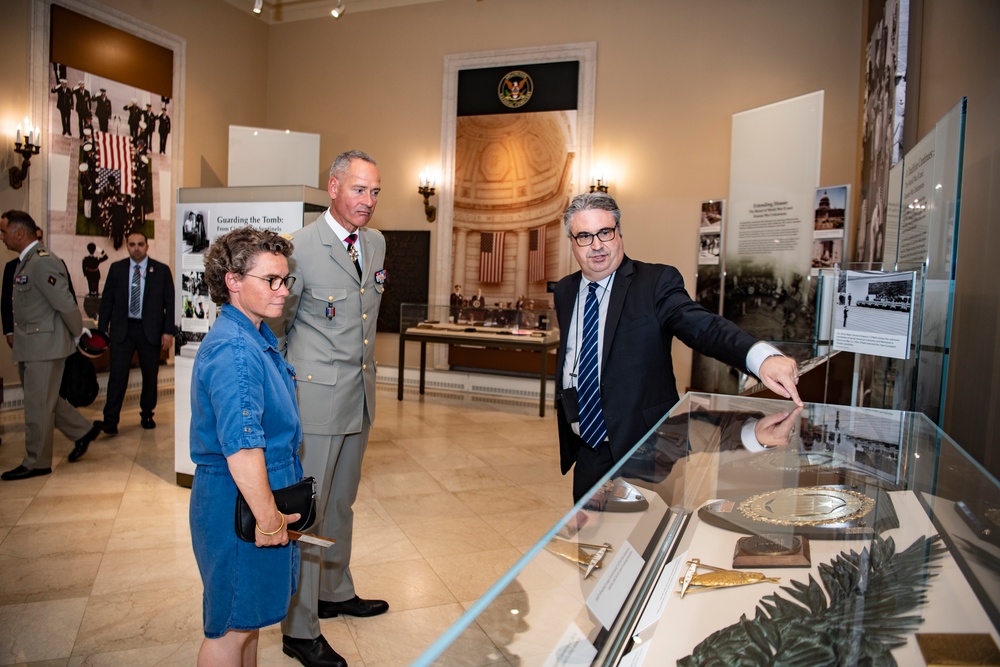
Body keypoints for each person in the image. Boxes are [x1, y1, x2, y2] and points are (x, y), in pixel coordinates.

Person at [553, 192, 803, 501]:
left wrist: (759, 357)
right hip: (588, 448)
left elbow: (704, 327)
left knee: (641, 541)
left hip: (645, 447)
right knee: (589, 542)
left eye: (605, 232)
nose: (597, 245)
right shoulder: (565, 291)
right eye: (584, 236)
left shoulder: (654, 282)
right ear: (572, 241)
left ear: (619, 232)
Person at [275, 150, 387, 667]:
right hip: (316, 403)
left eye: (375, 193)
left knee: (341, 504)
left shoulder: (376, 243)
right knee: (308, 512)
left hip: (358, 398)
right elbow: (277, 329)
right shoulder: (298, 248)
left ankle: (335, 589)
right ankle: (299, 628)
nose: (368, 202)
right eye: (360, 190)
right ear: (333, 186)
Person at [189, 227, 303, 666]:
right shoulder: (236, 350)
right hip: (238, 504)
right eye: (270, 280)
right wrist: (269, 519)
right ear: (233, 281)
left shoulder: (254, 339)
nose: (283, 291)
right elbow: (241, 447)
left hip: (251, 500)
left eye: (285, 280)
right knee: (230, 631)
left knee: (249, 622)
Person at [0, 211, 101, 480]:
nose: (2, 237)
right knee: (46, 400)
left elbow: (65, 304)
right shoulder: (28, 262)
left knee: (37, 406)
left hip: (44, 347)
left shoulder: (42, 263)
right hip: (33, 345)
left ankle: (36, 461)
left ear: (19, 233)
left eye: (4, 232)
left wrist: (78, 334)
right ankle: (82, 430)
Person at [98, 231, 175, 433]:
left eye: (140, 244)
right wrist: (101, 331)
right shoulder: (117, 269)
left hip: (150, 330)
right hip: (123, 330)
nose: (136, 248)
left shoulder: (161, 271)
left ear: (147, 246)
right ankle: (111, 419)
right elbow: (107, 301)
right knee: (117, 376)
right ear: (127, 246)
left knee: (150, 375)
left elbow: (170, 303)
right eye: (132, 244)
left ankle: (147, 413)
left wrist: (168, 331)